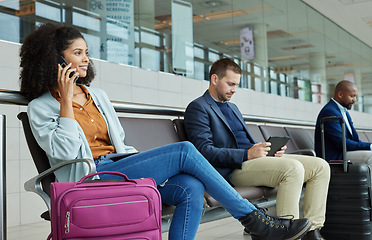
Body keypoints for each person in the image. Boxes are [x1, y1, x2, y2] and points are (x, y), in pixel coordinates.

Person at [19, 23, 311, 240]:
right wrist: (66, 102)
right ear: (55, 59)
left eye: (86, 53)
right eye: (77, 53)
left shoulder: (99, 97)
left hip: (118, 169)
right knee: (184, 150)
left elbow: (118, 142)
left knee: (190, 186)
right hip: (88, 179)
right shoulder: (41, 108)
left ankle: (255, 221)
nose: (85, 59)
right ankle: (253, 219)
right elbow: (66, 153)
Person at [184, 58, 330, 240]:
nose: (234, 90)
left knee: (320, 167)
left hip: (253, 161)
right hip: (232, 169)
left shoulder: (233, 108)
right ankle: (286, 233)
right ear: (214, 79)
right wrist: (248, 154)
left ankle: (311, 232)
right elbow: (204, 151)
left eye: (236, 85)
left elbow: (243, 141)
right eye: (230, 84)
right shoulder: (198, 108)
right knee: (292, 168)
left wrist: (266, 150)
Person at [315, 80, 372, 167]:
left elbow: (354, 140)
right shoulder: (330, 111)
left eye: (355, 96)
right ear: (340, 94)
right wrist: (370, 146)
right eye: (352, 96)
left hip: (344, 152)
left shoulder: (343, 112)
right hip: (335, 156)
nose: (355, 100)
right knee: (370, 157)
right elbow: (341, 143)